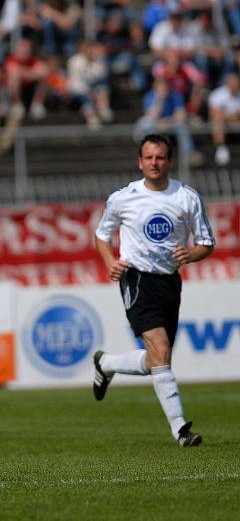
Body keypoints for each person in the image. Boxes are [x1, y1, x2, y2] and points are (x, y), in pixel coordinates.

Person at [93, 133, 214, 447]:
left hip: (169, 281)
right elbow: (102, 235)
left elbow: (206, 243)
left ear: (170, 161)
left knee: (156, 359)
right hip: (136, 279)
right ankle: (180, 430)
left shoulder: (187, 197)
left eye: (160, 157)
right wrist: (110, 262)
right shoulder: (123, 198)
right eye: (148, 157)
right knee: (160, 351)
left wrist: (191, 254)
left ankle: (106, 364)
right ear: (140, 162)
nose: (154, 163)